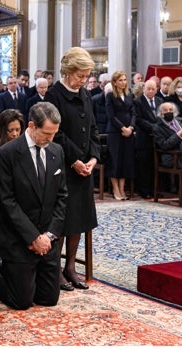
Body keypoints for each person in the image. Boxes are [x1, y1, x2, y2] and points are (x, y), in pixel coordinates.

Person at [0, 102, 68, 310]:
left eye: (54, 133)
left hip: (47, 241)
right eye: (46, 133)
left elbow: (62, 196)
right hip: (19, 240)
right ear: (32, 126)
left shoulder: (57, 151)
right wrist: (33, 237)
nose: (51, 139)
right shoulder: (8, 152)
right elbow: (7, 201)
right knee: (22, 302)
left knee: (49, 299)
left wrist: (49, 235)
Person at [44, 47, 100, 292]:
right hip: (64, 166)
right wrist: (75, 160)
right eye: (80, 75)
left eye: (86, 76)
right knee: (63, 220)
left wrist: (93, 159)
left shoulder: (86, 95)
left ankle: (70, 267)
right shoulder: (54, 95)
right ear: (68, 72)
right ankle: (55, 268)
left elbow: (94, 128)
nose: (83, 80)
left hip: (84, 169)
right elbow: (57, 134)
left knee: (80, 219)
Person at [105, 70, 136, 201]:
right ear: (115, 82)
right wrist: (122, 128)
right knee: (115, 160)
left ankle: (122, 188)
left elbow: (134, 113)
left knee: (125, 161)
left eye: (125, 80)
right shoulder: (110, 95)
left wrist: (131, 127)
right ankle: (115, 188)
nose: (123, 82)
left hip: (128, 132)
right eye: (120, 80)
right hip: (115, 132)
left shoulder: (129, 95)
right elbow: (110, 115)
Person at [134, 79, 163, 199]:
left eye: (153, 89)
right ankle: (143, 190)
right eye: (148, 89)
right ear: (144, 89)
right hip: (144, 137)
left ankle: (154, 189)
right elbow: (139, 119)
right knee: (144, 165)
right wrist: (153, 127)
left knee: (154, 165)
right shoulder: (138, 101)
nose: (151, 91)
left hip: (157, 139)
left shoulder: (159, 100)